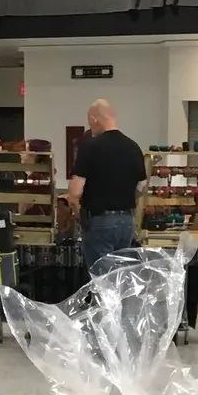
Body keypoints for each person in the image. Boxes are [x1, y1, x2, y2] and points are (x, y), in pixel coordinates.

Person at [68, 100, 146, 274]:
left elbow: (75, 192)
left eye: (89, 122)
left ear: (95, 119)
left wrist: (77, 213)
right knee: (120, 278)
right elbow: (142, 185)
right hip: (127, 221)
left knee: (102, 280)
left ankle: (104, 302)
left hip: (99, 222)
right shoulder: (133, 147)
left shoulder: (90, 146)